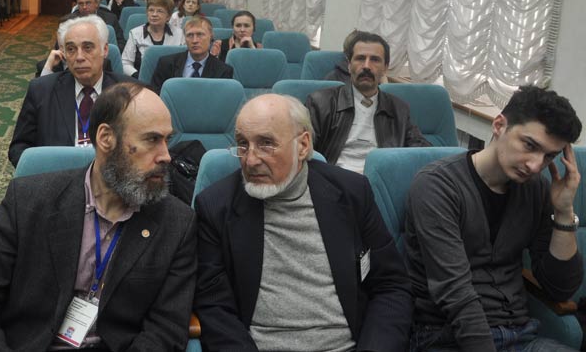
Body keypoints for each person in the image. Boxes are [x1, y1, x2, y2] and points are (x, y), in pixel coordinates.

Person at [0, 83, 197, 351]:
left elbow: (166, 328)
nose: (166, 156)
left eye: (167, 140)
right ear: (106, 138)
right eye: (152, 139)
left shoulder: (177, 223)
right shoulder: (29, 201)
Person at [193, 93, 413, 351]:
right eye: (243, 144)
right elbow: (213, 306)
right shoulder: (216, 207)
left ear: (303, 145)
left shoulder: (352, 194)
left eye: (266, 144)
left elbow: (391, 286)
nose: (250, 160)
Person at [405, 85, 583, 352]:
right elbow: (455, 294)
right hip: (448, 337)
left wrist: (563, 212)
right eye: (530, 145)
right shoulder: (437, 187)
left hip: (520, 336)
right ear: (499, 125)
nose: (536, 165)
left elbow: (560, 288)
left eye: (549, 156)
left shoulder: (535, 189)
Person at [9, 15, 135, 167]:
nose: (79, 57)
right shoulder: (41, 91)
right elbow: (19, 148)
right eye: (71, 49)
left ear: (105, 50)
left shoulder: (131, 93)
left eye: (88, 48)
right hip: (57, 175)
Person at [305, 31, 429, 172]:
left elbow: (420, 149)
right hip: (335, 177)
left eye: (375, 60)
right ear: (349, 65)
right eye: (360, 58)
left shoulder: (398, 109)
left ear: (385, 68)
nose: (367, 66)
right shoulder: (320, 103)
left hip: (381, 178)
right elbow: (303, 149)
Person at [151, 16, 233, 93]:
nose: (194, 40)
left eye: (200, 34)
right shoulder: (166, 64)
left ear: (211, 36)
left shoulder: (223, 70)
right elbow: (155, 95)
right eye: (190, 35)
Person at [122, 0, 184, 78]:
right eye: (151, 10)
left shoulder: (179, 34)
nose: (154, 14)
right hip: (141, 80)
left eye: (159, 11)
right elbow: (125, 63)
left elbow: (185, 62)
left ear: (168, 16)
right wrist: (138, 76)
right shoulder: (135, 33)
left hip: (171, 80)